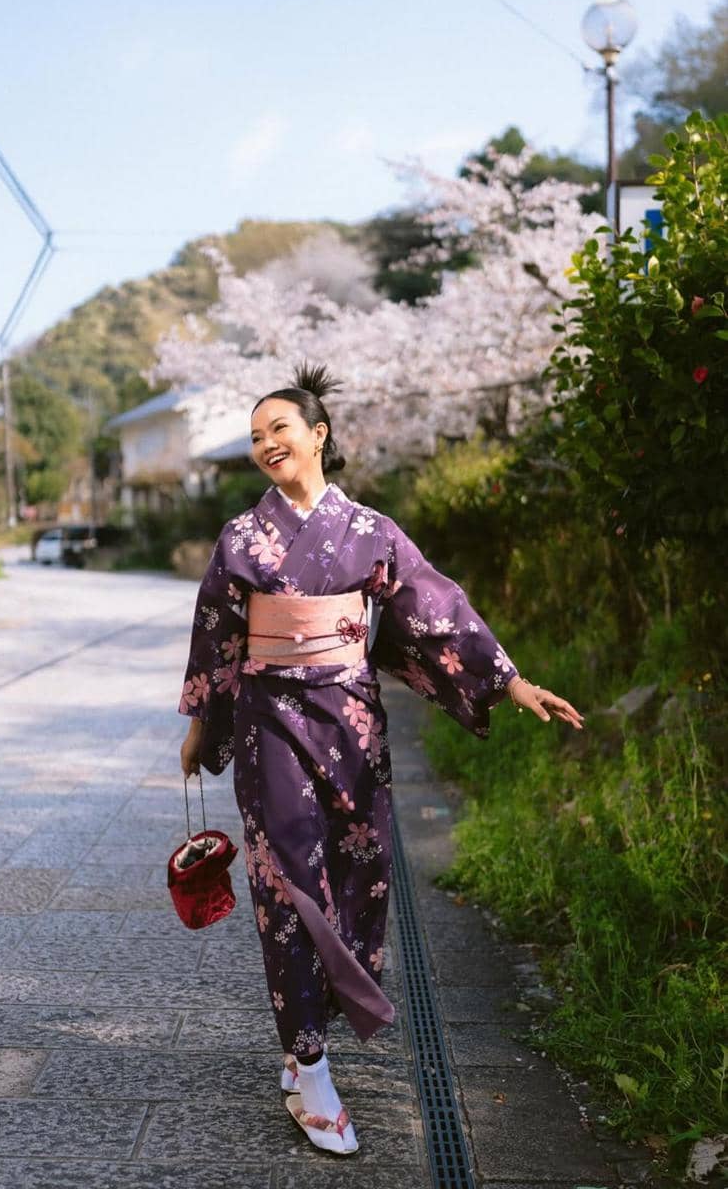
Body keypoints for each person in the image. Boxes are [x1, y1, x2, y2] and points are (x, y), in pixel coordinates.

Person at [178, 363, 584, 1156]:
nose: (266, 445)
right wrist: (203, 721)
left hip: (352, 722)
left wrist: (509, 681)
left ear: (318, 434)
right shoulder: (240, 538)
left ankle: (313, 1033)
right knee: (289, 878)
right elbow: (217, 636)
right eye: (256, 437)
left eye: (280, 431)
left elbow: (436, 611)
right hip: (269, 723)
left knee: (358, 872)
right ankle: (310, 1063)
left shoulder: (371, 530)